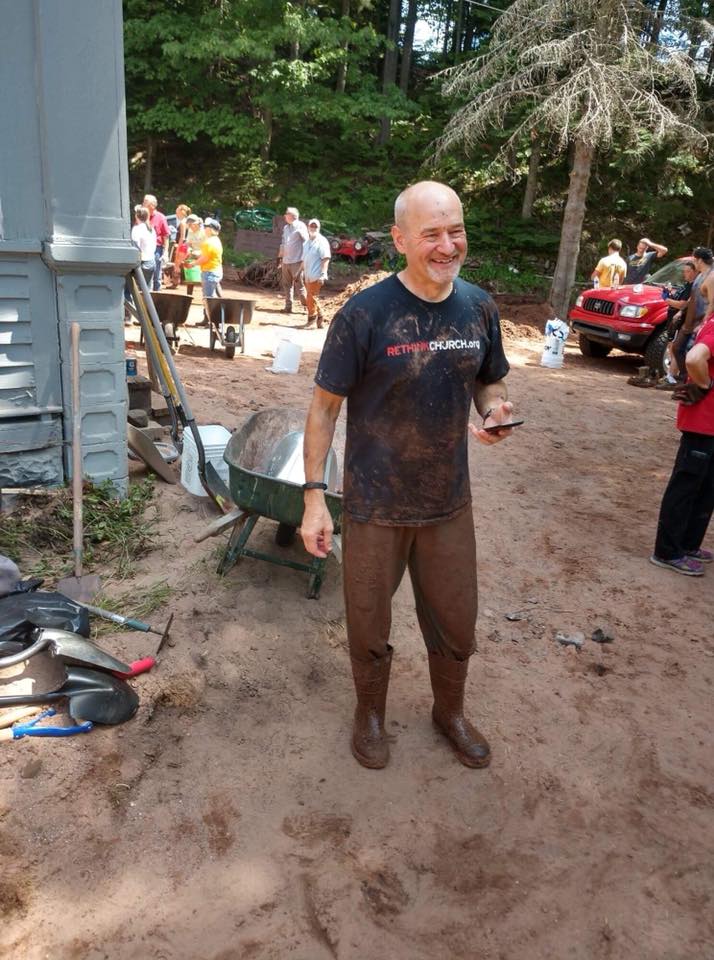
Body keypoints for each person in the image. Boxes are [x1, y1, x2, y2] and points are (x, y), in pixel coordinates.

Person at [300, 180, 516, 771]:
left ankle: (448, 712)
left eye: (457, 231)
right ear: (399, 240)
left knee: (457, 622)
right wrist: (314, 498)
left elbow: (489, 380)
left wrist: (495, 410)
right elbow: (323, 408)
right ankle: (369, 714)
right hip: (374, 505)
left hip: (448, 502)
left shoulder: (478, 306)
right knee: (368, 622)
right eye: (432, 235)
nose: (448, 246)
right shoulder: (364, 315)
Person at [650, 306, 714, 576]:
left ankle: (688, 544)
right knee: (687, 486)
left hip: (710, 424)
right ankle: (667, 551)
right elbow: (694, 358)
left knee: (706, 488)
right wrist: (705, 385)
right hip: (703, 421)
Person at [670, 248, 714, 381]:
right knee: (677, 348)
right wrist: (681, 311)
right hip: (689, 321)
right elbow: (693, 296)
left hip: (700, 323)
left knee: (691, 354)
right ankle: (684, 377)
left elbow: (712, 303)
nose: (693, 261)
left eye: (694, 259)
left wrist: (703, 324)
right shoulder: (700, 274)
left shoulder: (711, 277)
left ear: (699, 260)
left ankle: (694, 382)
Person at [657, 261, 697, 387]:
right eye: (684, 271)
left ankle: (671, 377)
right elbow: (678, 299)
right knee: (671, 347)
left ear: (695, 272)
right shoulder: (686, 285)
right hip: (672, 320)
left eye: (688, 271)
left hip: (680, 321)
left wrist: (667, 300)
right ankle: (670, 375)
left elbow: (683, 304)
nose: (685, 274)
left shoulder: (693, 287)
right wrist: (669, 293)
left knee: (674, 348)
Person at [302, 218, 331, 328]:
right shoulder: (306, 243)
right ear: (308, 227)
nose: (313, 228)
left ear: (319, 228)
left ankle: (311, 319)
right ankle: (320, 317)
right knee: (313, 297)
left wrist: (323, 274)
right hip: (307, 275)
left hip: (316, 275)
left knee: (310, 297)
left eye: (315, 226)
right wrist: (298, 273)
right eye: (311, 226)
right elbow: (303, 259)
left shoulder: (322, 241)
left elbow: (326, 258)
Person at [278, 207, 308, 314]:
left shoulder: (301, 226)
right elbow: (283, 243)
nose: (285, 216)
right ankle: (288, 307)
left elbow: (306, 242)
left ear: (292, 216)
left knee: (299, 285)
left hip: (297, 261)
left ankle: (307, 307)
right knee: (287, 285)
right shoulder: (286, 228)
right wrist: (280, 258)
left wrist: (305, 259)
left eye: (286, 214)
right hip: (286, 261)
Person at [142, 194, 171, 290]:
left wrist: (166, 252)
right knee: (144, 274)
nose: (142, 204)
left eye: (145, 202)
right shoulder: (142, 216)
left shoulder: (161, 217)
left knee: (156, 275)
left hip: (156, 249)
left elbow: (166, 236)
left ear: (152, 205)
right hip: (143, 249)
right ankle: (145, 298)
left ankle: (156, 300)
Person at [130, 205, 157, 286]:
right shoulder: (151, 229)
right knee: (146, 291)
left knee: (129, 289)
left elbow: (135, 247)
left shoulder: (137, 229)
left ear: (136, 215)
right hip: (151, 261)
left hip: (142, 263)